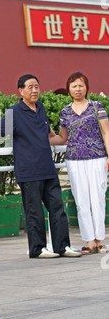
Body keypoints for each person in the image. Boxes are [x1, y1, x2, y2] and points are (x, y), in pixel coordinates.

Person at [0, 74, 81, 259]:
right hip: (29, 171)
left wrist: (64, 137)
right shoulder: (14, 112)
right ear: (20, 91)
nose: (35, 90)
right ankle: (37, 248)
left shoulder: (41, 109)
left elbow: (51, 135)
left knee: (57, 208)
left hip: (48, 168)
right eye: (30, 87)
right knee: (34, 211)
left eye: (37, 86)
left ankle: (62, 246)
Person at [50, 72, 109, 254]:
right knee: (81, 200)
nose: (78, 89)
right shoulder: (65, 111)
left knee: (97, 198)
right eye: (74, 85)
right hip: (74, 160)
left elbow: (106, 132)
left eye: (81, 85)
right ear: (68, 89)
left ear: (86, 88)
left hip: (97, 157)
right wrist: (38, 137)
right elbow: (62, 138)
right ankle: (89, 241)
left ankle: (100, 239)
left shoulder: (96, 106)